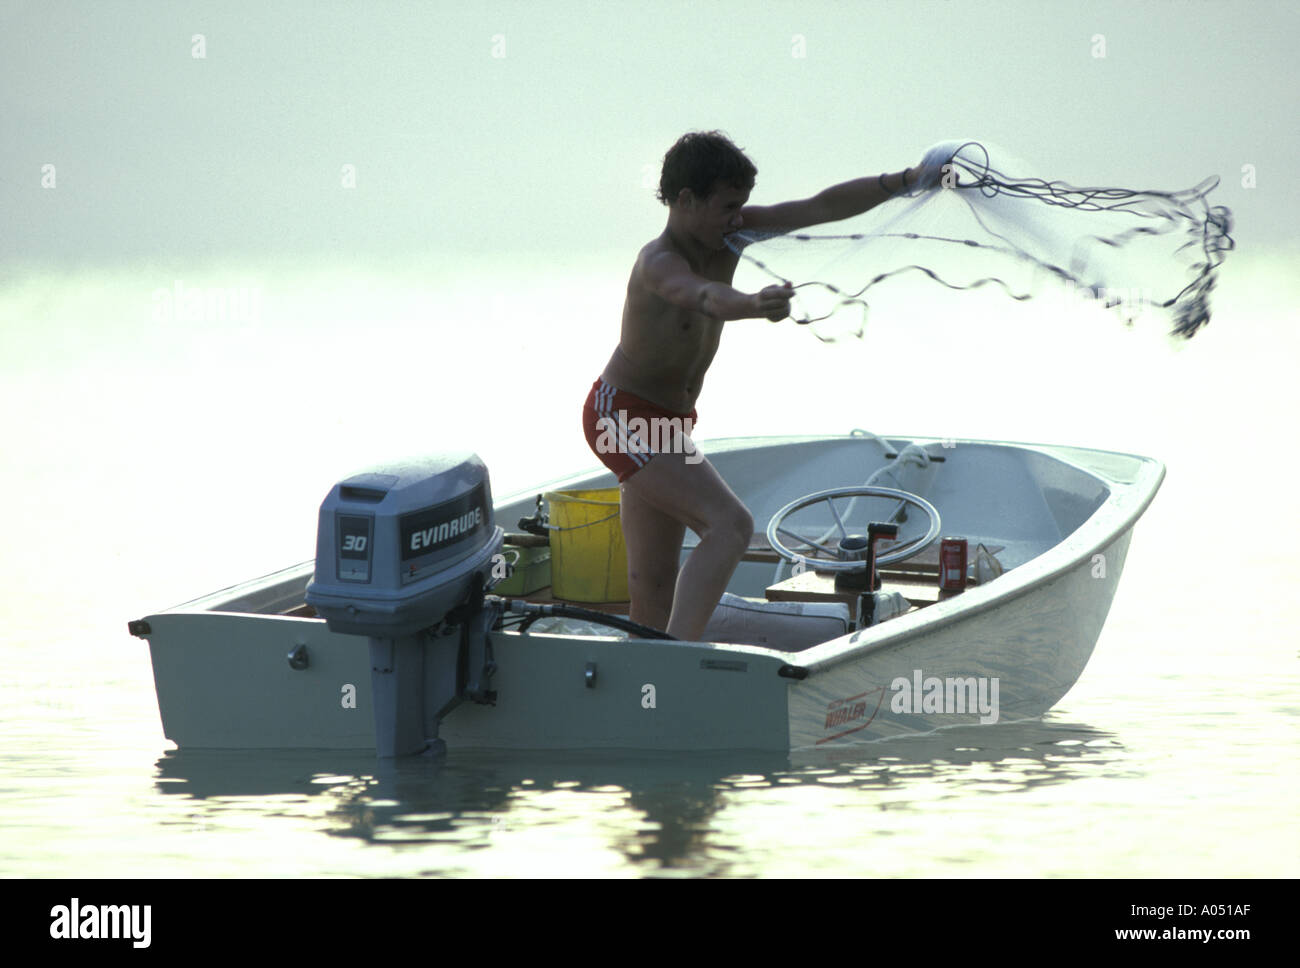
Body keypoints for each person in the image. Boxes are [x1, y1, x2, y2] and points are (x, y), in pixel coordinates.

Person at [581, 130, 938, 640]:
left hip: (668, 425)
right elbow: (702, 296)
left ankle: (648, 692)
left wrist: (904, 181)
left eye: (742, 206)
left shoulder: (733, 233)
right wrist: (751, 304)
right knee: (729, 527)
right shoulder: (658, 262)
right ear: (686, 200)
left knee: (653, 589)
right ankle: (677, 661)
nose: (737, 217)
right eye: (727, 206)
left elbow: (818, 207)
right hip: (623, 417)